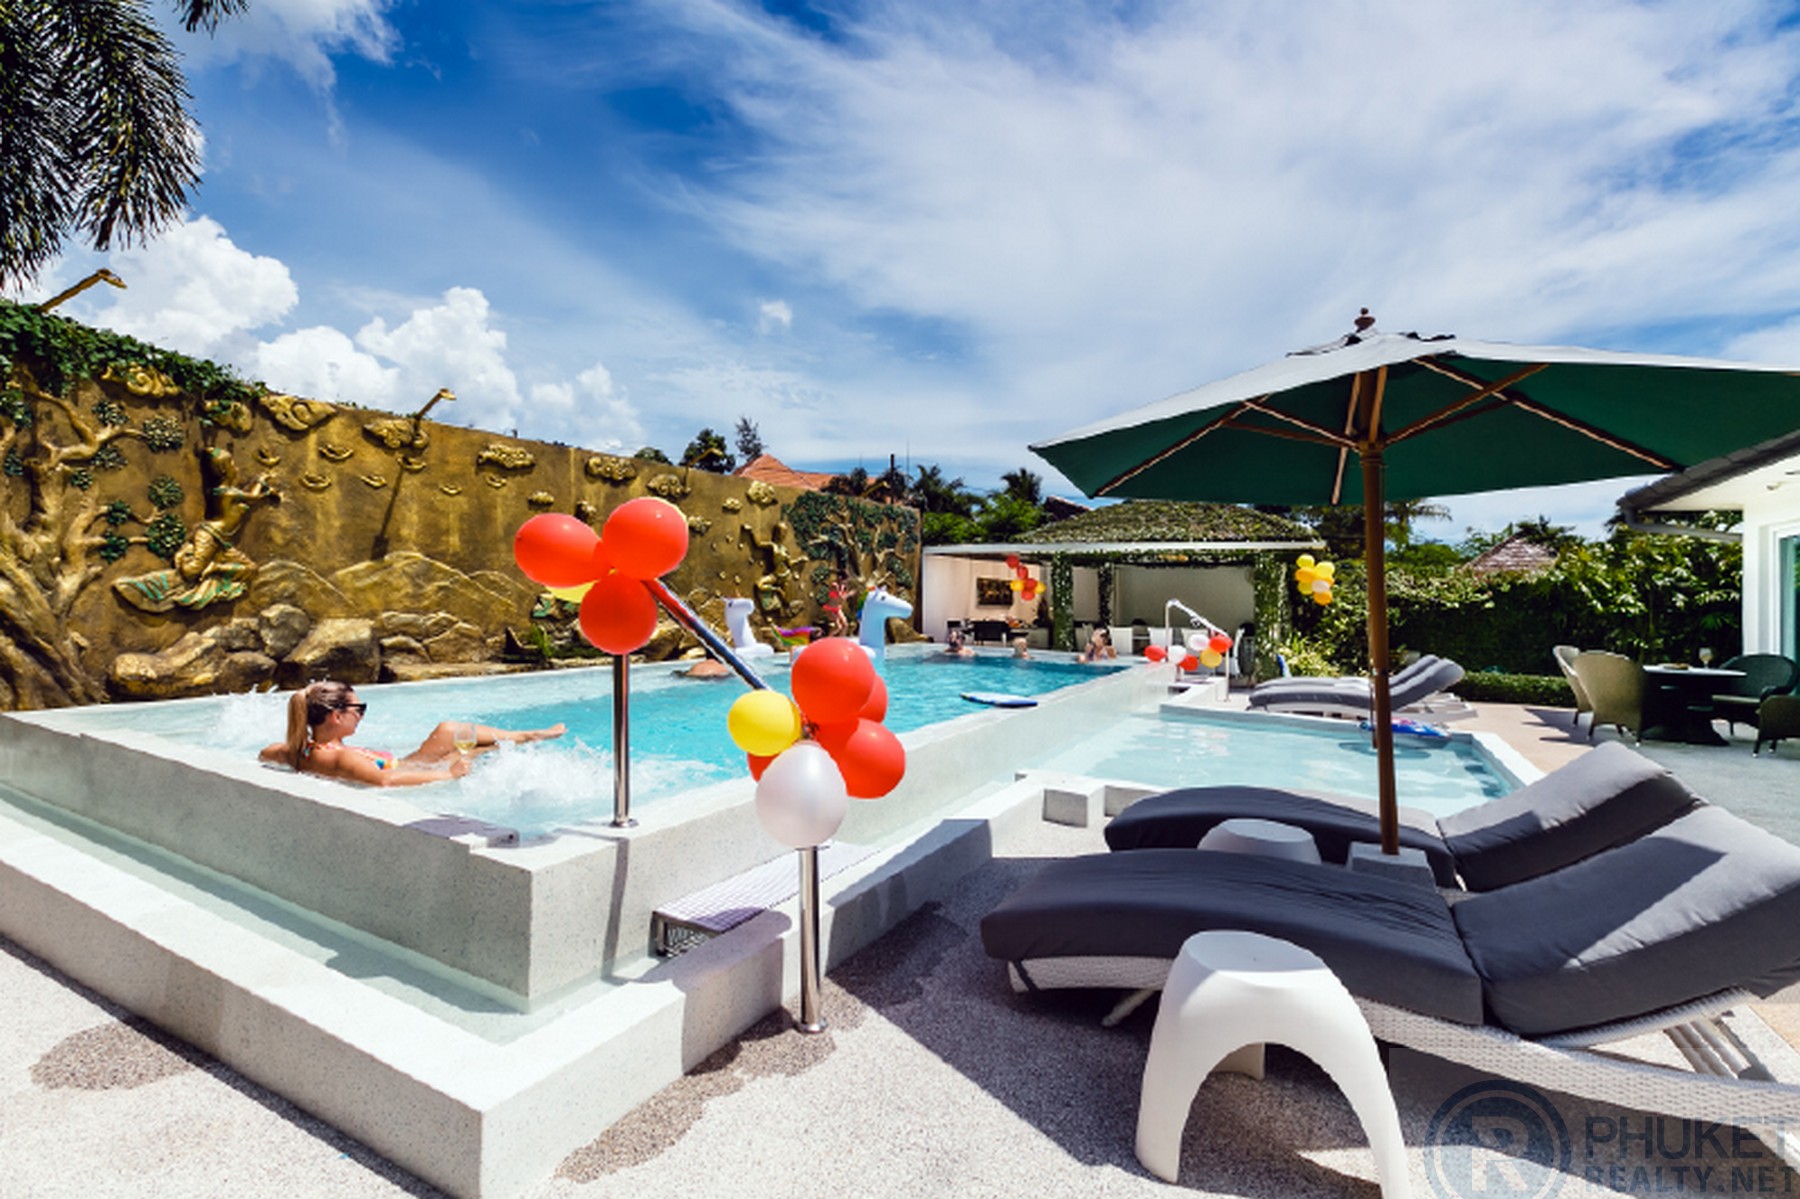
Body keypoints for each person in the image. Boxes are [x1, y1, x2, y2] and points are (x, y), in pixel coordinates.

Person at [259, 680, 565, 787]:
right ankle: (528, 737)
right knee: (462, 742)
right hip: (415, 769)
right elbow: (385, 780)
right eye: (358, 708)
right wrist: (448, 775)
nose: (361, 714)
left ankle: (525, 737)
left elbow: (266, 754)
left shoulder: (298, 749)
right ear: (336, 716)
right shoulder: (341, 758)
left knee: (451, 733)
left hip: (406, 763)